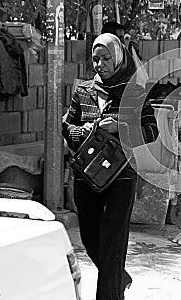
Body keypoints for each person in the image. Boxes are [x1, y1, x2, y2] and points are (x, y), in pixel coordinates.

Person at [62, 33, 157, 300]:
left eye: (106, 58)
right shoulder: (83, 91)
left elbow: (152, 131)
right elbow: (66, 125)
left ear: (117, 58)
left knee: (114, 244)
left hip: (121, 175)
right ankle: (119, 277)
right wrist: (82, 132)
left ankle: (110, 294)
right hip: (86, 174)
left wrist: (120, 127)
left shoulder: (135, 92)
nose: (100, 64)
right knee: (91, 239)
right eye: (96, 59)